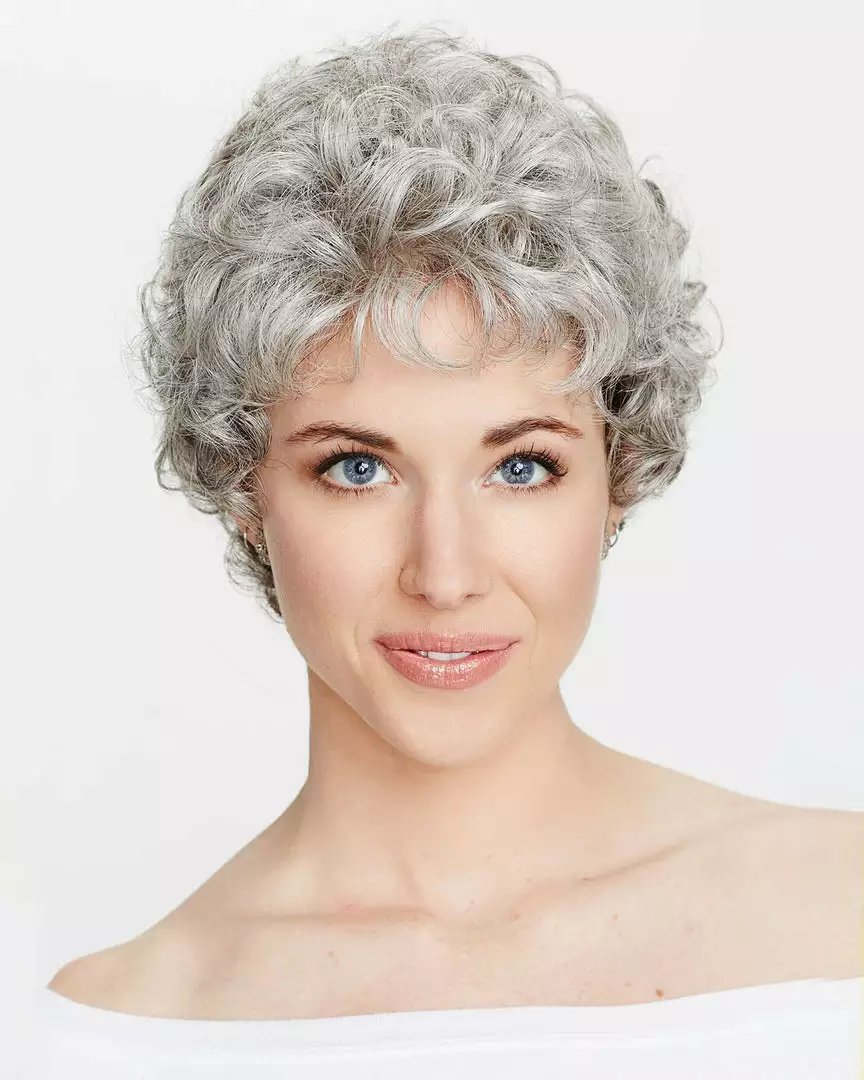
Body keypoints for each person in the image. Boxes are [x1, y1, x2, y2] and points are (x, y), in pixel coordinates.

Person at [34, 22, 861, 1077]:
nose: (446, 573)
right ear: (243, 486)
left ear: (621, 472)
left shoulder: (839, 915)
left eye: (520, 467)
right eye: (357, 468)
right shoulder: (118, 1030)